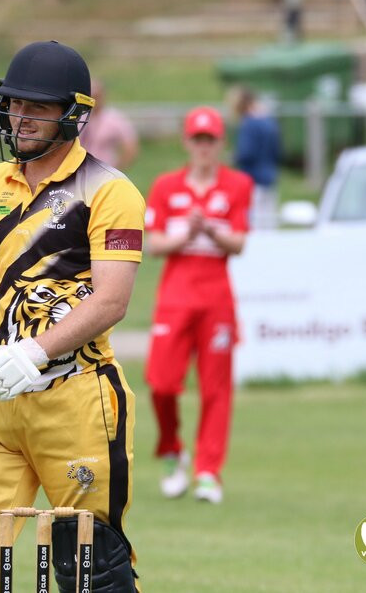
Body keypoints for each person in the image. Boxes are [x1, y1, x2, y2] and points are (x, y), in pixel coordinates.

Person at [0, 41, 146, 592]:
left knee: (89, 571)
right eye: (14, 104)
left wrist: (37, 351)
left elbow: (112, 300)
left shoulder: (112, 192)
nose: (20, 116)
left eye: (37, 107)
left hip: (78, 398)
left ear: (75, 114)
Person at [144, 106, 252, 504]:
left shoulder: (238, 185)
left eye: (211, 140)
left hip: (216, 298)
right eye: (198, 139)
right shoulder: (166, 186)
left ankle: (208, 471)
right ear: (187, 142)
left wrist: (209, 228)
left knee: (216, 388)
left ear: (220, 143)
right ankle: (173, 450)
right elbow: (154, 244)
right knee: (161, 383)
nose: (204, 147)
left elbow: (239, 242)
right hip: (175, 295)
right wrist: (188, 231)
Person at [231, 86, 282, 229]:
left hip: (253, 180)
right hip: (270, 177)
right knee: (269, 224)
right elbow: (278, 151)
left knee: (254, 225)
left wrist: (235, 157)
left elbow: (246, 153)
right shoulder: (269, 121)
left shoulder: (249, 124)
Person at [78, 78, 140, 169]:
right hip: (79, 170)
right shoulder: (79, 116)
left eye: (96, 96)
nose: (94, 100)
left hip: (103, 170)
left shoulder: (115, 119)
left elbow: (130, 147)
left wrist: (117, 169)